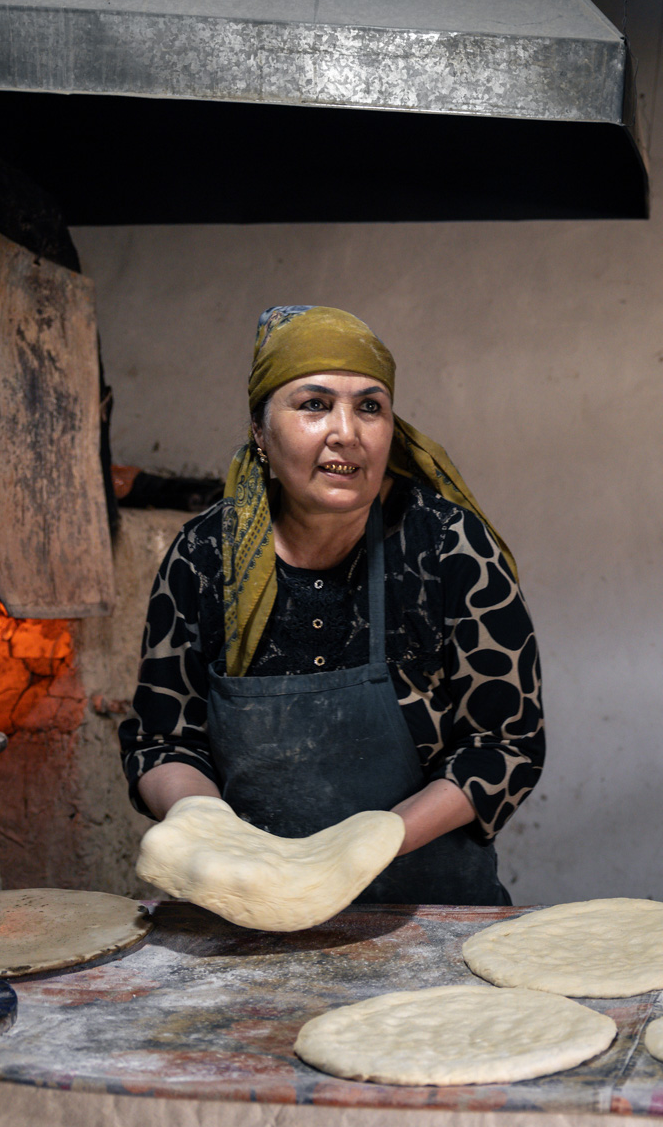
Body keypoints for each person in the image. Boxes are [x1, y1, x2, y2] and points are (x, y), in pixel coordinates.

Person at [118, 306, 543, 905]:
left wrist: (370, 842)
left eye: (370, 407)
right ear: (261, 432)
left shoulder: (447, 546)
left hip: (429, 915)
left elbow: (506, 743)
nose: (347, 431)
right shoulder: (204, 557)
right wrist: (204, 824)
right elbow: (163, 740)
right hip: (248, 911)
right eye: (314, 405)